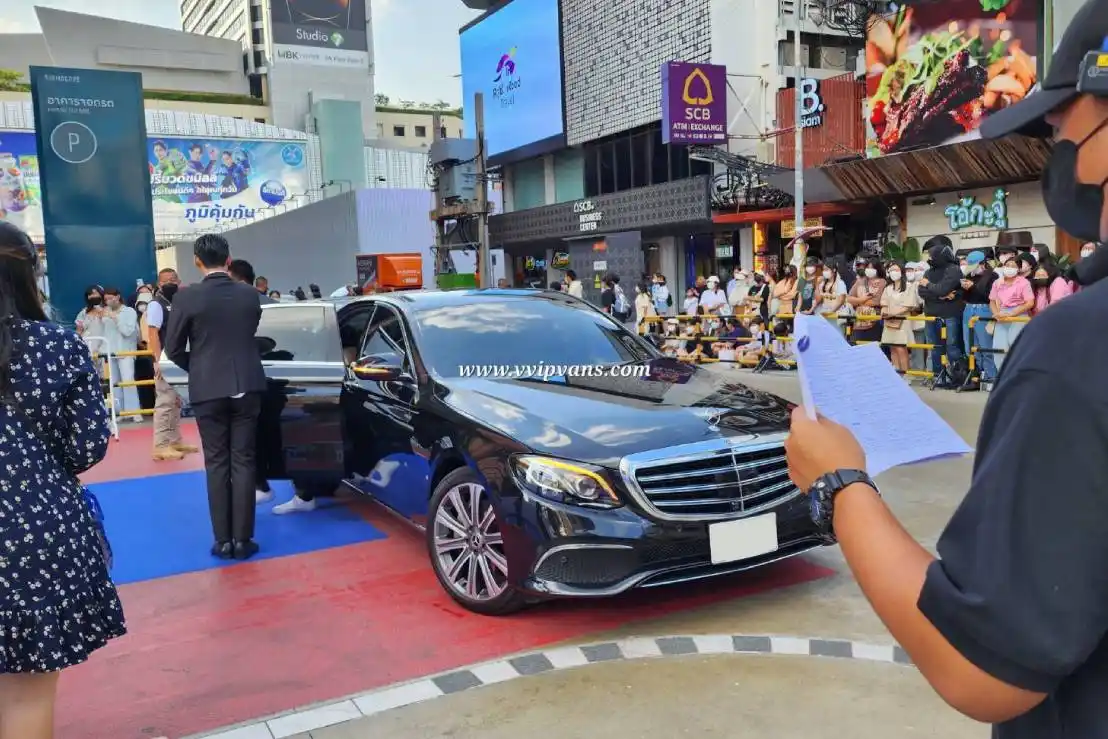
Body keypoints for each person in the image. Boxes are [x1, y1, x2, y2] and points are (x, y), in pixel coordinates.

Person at [785, 4, 1108, 734]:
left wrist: (839, 484)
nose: (1053, 140)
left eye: (1060, 122)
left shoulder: (1076, 352)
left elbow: (984, 666)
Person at [0, 221, 126, 737]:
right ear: (31, 274)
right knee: (26, 697)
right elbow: (85, 445)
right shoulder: (55, 345)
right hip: (33, 533)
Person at [164, 235, 267, 560]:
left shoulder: (187, 297)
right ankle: (243, 539)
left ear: (197, 260)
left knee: (217, 462)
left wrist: (198, 367)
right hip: (248, 384)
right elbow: (247, 335)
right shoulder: (250, 295)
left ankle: (222, 541)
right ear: (229, 258)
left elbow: (173, 347)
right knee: (244, 460)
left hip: (208, 388)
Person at [143, 268, 197, 461]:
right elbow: (152, 334)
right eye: (166, 281)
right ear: (159, 284)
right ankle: (161, 445)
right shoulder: (156, 305)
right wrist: (157, 361)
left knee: (175, 402)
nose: (171, 283)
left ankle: (175, 440)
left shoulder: (178, 303)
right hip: (165, 360)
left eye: (174, 279)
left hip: (178, 360)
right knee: (165, 402)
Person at [917, 236, 966, 385]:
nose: (930, 258)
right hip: (931, 315)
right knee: (935, 348)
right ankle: (939, 377)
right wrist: (941, 296)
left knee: (952, 347)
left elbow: (942, 288)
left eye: (932, 255)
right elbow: (921, 292)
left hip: (950, 315)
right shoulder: (928, 272)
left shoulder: (954, 269)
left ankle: (957, 377)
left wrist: (930, 285)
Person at [99, 287, 141, 422]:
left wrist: (115, 318)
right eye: (105, 299)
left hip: (125, 350)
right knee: (114, 383)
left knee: (128, 381)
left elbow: (128, 332)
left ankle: (134, 411)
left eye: (110, 298)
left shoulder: (129, 311)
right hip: (108, 351)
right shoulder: (104, 313)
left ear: (118, 297)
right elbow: (102, 333)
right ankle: (119, 412)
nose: (108, 301)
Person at [959, 250, 999, 384]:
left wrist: (974, 287)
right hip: (968, 309)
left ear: (982, 264)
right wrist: (964, 289)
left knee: (985, 344)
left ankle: (991, 375)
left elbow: (989, 296)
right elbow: (965, 297)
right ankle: (979, 373)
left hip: (983, 309)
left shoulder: (992, 276)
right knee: (970, 345)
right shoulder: (969, 275)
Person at [989, 255, 1035, 371]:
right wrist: (996, 314)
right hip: (1002, 316)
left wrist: (1012, 314)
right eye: (1007, 265)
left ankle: (1019, 375)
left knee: (1014, 344)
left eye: (1013, 266)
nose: (1009, 268)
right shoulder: (997, 283)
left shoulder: (1023, 283)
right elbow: (992, 301)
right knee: (998, 348)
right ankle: (1002, 376)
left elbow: (1030, 303)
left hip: (1019, 315)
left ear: (1019, 269)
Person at [879, 261, 919, 373]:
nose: (893, 273)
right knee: (892, 347)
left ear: (901, 272)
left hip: (902, 321)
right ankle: (896, 372)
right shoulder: (888, 288)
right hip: (889, 321)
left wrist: (894, 313)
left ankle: (906, 373)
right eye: (891, 270)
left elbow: (908, 305)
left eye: (896, 270)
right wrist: (884, 311)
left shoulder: (909, 286)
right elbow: (884, 302)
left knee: (901, 348)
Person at [847, 257, 886, 343]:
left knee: (873, 347)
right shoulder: (860, 281)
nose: (869, 270)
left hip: (874, 321)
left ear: (877, 269)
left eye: (872, 268)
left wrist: (857, 301)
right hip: (859, 321)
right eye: (868, 268)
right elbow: (848, 298)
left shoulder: (882, 282)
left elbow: (876, 301)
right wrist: (861, 300)